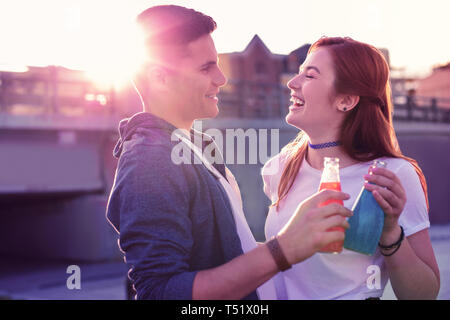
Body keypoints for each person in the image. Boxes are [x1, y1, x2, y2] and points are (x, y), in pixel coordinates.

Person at [106, 5, 352, 300]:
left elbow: (235, 253)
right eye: (205, 67)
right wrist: (283, 248)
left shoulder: (194, 146)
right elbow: (161, 292)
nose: (221, 78)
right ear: (160, 78)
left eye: (217, 64)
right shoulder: (150, 161)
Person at [262, 36, 440, 300]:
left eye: (309, 76)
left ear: (346, 100)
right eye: (299, 72)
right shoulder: (279, 167)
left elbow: (424, 294)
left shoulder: (392, 176)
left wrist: (390, 234)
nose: (292, 83)